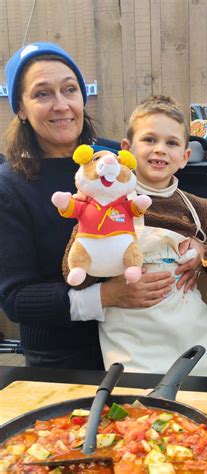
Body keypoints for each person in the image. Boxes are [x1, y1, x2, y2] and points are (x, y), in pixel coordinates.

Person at [65, 95, 207, 377]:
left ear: (185, 157)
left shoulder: (199, 207)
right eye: (149, 140)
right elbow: (74, 269)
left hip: (192, 337)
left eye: (171, 143)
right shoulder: (101, 201)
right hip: (133, 345)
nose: (160, 149)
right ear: (127, 150)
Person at [0, 42, 103, 369]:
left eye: (69, 90)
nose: (61, 105)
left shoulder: (114, 163)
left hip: (138, 341)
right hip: (62, 360)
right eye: (42, 94)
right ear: (20, 107)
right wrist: (103, 300)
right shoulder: (9, 185)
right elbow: (16, 300)